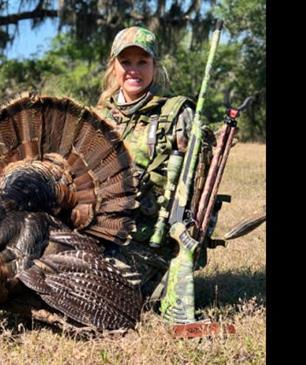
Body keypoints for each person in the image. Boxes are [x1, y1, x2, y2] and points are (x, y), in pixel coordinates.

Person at [93, 26, 214, 324]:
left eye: (142, 61)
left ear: (154, 66)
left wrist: (191, 241)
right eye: (126, 62)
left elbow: (199, 189)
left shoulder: (175, 115)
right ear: (114, 67)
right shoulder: (98, 117)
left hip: (148, 240)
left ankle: (161, 282)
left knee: (96, 297)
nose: (134, 70)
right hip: (97, 233)